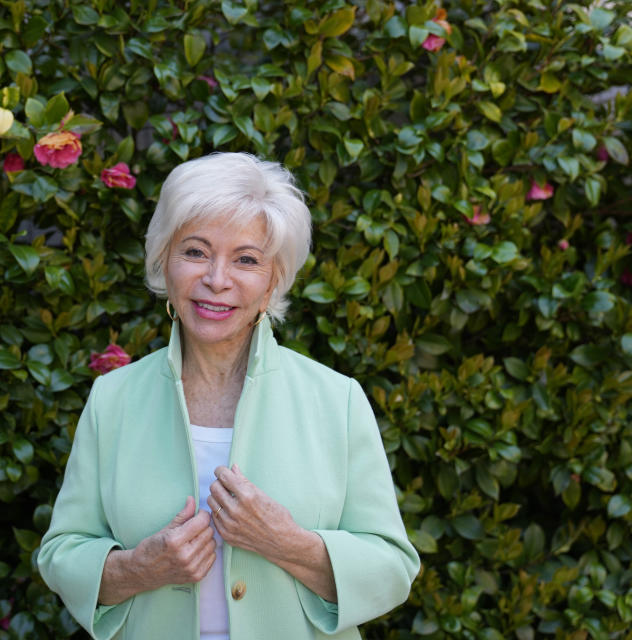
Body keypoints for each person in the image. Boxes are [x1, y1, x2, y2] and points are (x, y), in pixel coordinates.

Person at [37, 153, 420, 640]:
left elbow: (392, 568)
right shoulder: (113, 397)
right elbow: (61, 552)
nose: (217, 279)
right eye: (195, 252)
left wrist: (289, 544)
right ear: (164, 262)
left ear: (272, 281)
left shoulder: (337, 400)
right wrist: (139, 568)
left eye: (246, 259)